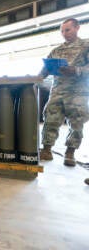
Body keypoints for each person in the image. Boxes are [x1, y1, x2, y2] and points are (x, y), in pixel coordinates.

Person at [40, 18, 89, 166]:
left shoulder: (86, 46)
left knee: (77, 122)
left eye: (67, 30)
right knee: (50, 119)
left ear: (77, 28)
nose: (64, 33)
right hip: (57, 91)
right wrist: (34, 79)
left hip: (77, 92)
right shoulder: (56, 50)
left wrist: (76, 70)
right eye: (62, 31)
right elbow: (45, 69)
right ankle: (47, 150)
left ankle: (70, 153)